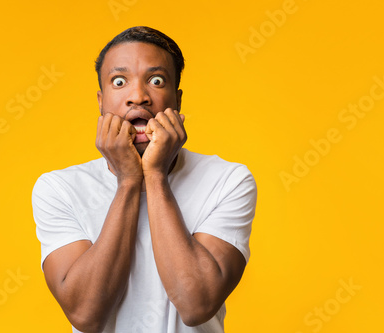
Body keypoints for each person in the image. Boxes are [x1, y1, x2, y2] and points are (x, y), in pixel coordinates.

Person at [32, 26, 257, 333]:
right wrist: (127, 182)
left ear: (176, 100)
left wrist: (154, 175)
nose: (138, 96)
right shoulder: (58, 189)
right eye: (119, 81)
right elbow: (86, 314)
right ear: (101, 101)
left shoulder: (228, 180)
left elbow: (196, 305)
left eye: (156, 80)